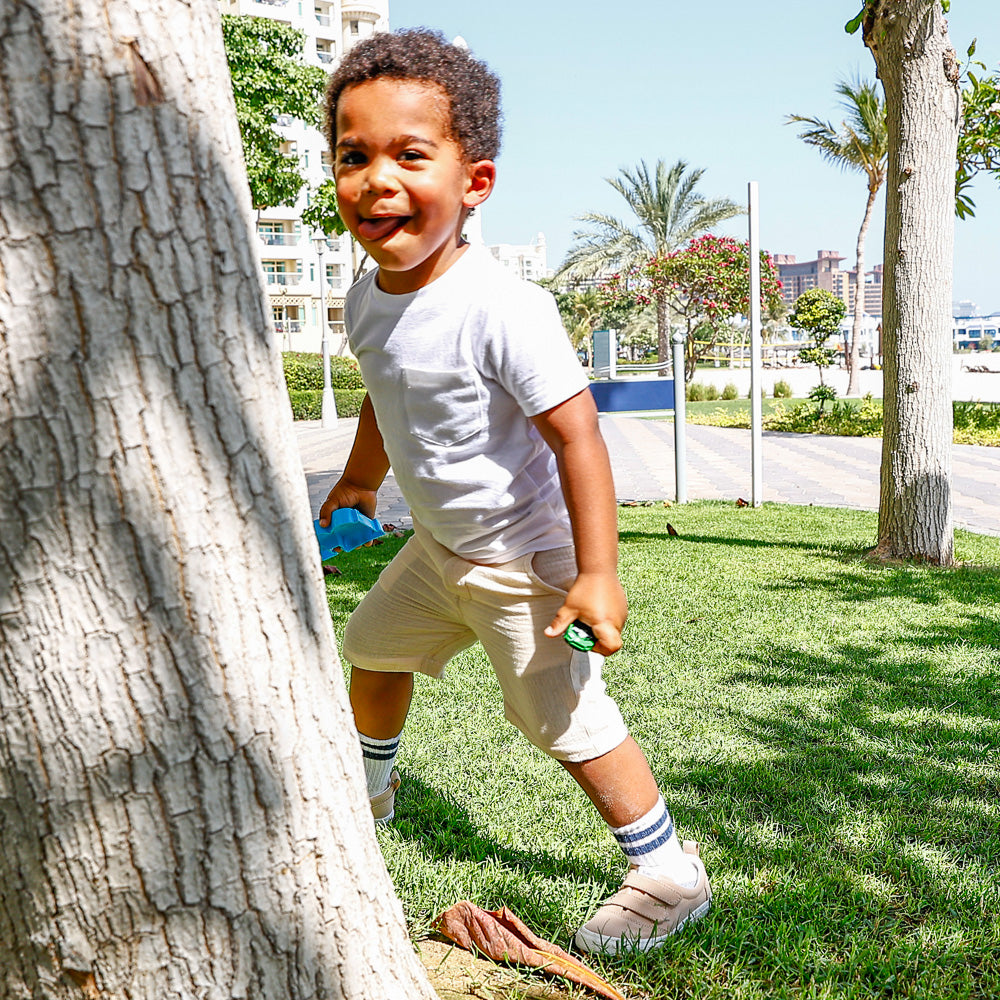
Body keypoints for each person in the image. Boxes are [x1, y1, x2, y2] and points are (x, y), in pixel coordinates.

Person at [318, 27, 711, 955]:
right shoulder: (366, 295)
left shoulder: (505, 308)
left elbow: (578, 436)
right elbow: (384, 394)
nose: (377, 179)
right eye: (353, 155)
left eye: (411, 155)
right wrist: (358, 478)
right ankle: (370, 791)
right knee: (372, 652)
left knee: (561, 718)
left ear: (474, 184)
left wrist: (597, 574)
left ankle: (666, 868)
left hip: (526, 556)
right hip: (438, 548)